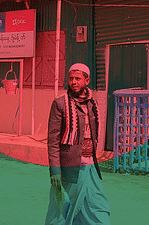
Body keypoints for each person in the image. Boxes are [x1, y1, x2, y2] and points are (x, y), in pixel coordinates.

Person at [45, 63, 111, 225]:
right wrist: (55, 170)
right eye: (71, 78)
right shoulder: (60, 104)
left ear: (86, 80)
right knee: (61, 211)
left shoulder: (92, 103)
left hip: (90, 167)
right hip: (69, 168)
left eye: (78, 79)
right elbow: (53, 141)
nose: (73, 82)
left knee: (97, 206)